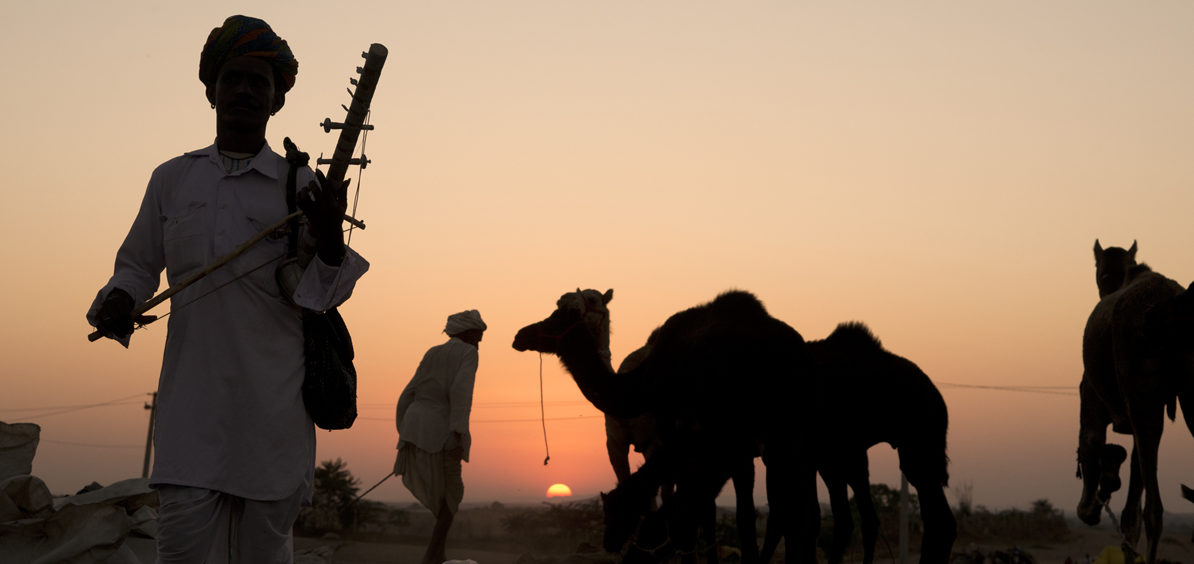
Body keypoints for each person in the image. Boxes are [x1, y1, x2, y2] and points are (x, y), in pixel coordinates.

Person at [86, 15, 368, 563]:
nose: (244, 90)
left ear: (276, 100)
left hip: (275, 420)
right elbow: (137, 265)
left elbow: (324, 294)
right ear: (212, 88)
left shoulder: (302, 186)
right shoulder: (173, 178)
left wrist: (330, 237)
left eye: (258, 82)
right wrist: (119, 298)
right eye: (234, 78)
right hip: (191, 419)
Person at [395, 310, 487, 564]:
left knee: (444, 492)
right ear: (467, 333)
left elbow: (408, 392)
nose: (479, 342)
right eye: (478, 336)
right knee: (453, 494)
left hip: (414, 426)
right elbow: (461, 391)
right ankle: (432, 556)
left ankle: (437, 552)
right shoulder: (468, 353)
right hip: (443, 430)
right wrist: (458, 432)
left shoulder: (433, 352)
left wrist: (404, 430)